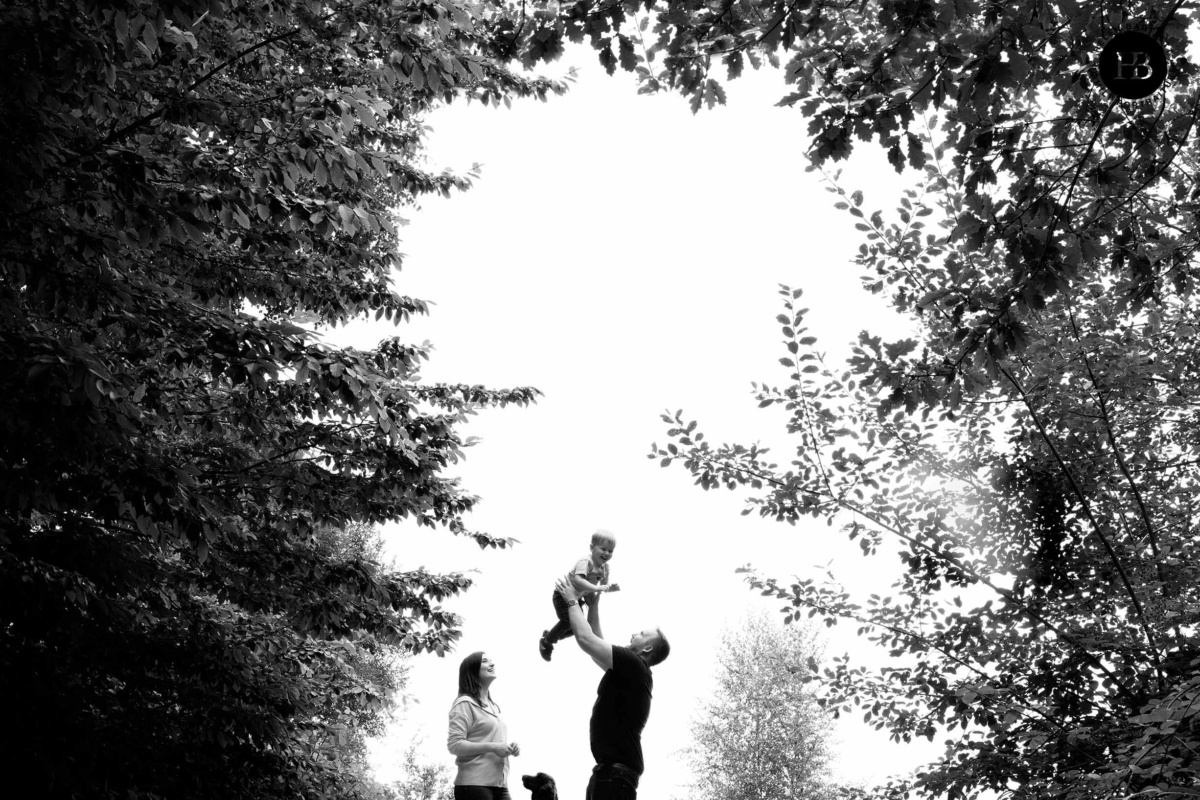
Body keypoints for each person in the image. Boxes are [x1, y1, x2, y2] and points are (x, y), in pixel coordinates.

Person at [554, 573, 669, 800]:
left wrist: (571, 601)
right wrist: (594, 606)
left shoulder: (635, 665)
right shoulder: (632, 671)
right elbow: (598, 644)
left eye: (641, 634)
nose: (634, 633)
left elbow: (587, 640)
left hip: (617, 776)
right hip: (612, 773)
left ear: (647, 649)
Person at [447, 651, 521, 800]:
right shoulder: (465, 703)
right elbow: (454, 745)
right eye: (485, 661)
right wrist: (493, 747)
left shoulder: (493, 707)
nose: (492, 664)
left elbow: (489, 740)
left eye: (491, 661)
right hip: (474, 786)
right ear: (472, 670)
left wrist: (508, 747)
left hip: (500, 785)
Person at [539, 529, 621, 661]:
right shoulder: (585, 562)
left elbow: (603, 585)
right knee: (567, 622)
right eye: (603, 549)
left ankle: (549, 636)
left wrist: (608, 589)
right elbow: (579, 580)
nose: (607, 553)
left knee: (577, 628)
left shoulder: (605, 567)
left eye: (610, 551)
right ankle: (547, 642)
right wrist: (596, 587)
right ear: (592, 548)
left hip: (577, 598)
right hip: (563, 595)